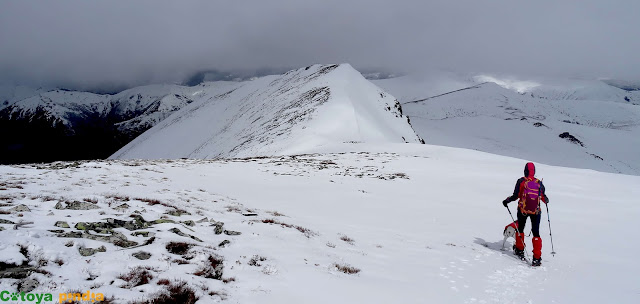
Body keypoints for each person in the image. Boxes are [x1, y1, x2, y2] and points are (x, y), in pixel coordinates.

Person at [503, 162, 549, 266]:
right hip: (536, 211)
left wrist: (506, 201)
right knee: (536, 233)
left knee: (521, 229)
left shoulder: (521, 181)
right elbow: (544, 197)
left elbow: (515, 196)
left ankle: (520, 250)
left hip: (522, 209)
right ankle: (536, 258)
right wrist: (546, 200)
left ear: (525, 170)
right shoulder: (539, 183)